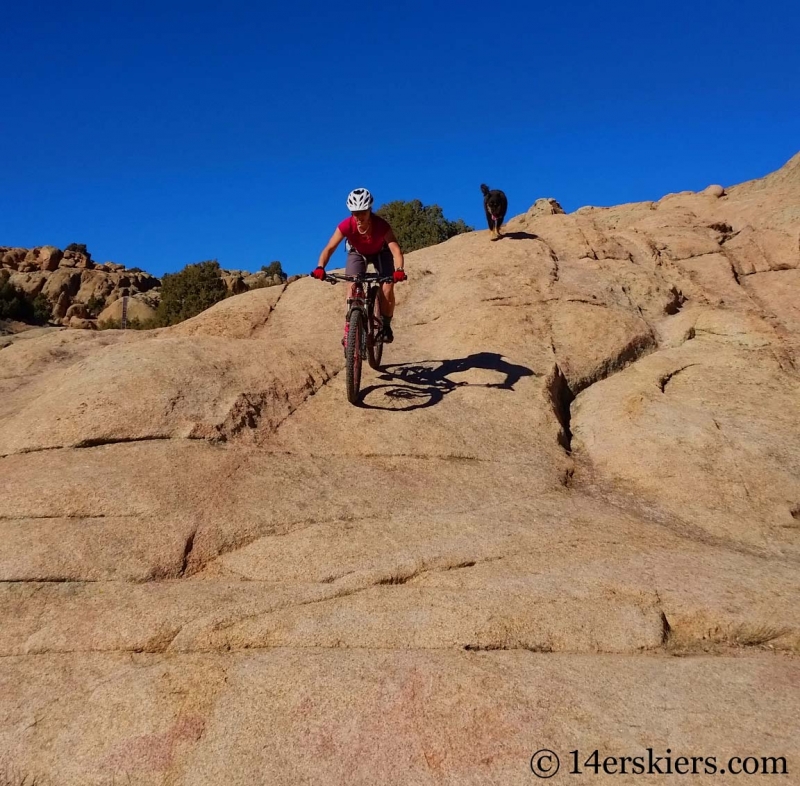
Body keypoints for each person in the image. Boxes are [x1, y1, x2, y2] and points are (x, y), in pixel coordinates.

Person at [312, 188, 406, 343]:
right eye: (355, 213)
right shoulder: (346, 226)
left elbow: (395, 249)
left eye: (362, 212)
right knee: (352, 286)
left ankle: (386, 327)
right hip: (358, 253)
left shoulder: (381, 225)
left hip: (380, 252)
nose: (359, 216)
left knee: (387, 286)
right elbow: (329, 248)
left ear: (370, 209)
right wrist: (320, 267)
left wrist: (399, 270)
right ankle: (349, 330)